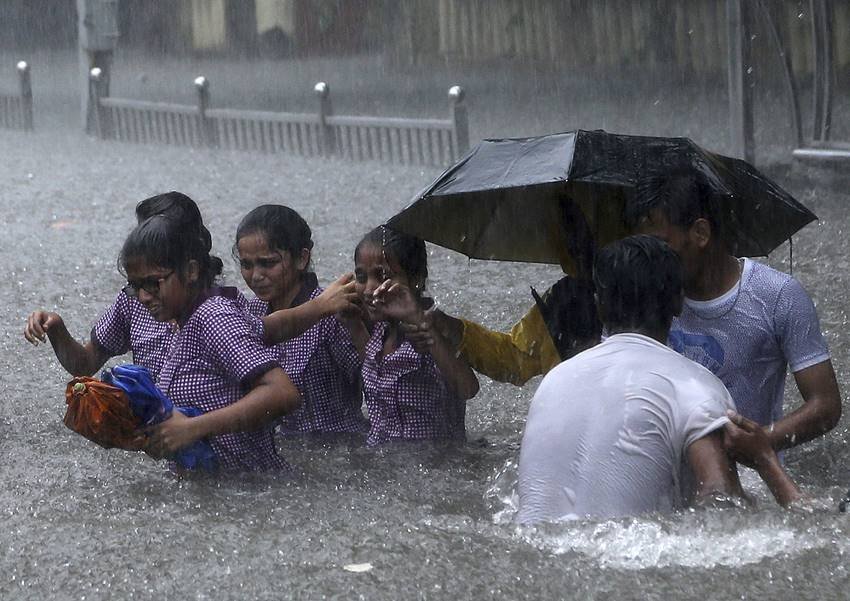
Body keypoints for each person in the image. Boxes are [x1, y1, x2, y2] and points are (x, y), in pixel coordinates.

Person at [516, 236, 800, 522]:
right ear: (678, 302)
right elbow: (724, 506)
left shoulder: (553, 381)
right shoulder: (695, 387)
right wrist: (765, 460)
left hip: (529, 543)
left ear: (599, 306)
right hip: (627, 547)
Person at [24, 192, 358, 380]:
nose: (146, 294)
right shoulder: (132, 301)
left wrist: (325, 309)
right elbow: (84, 365)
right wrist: (58, 330)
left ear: (189, 264)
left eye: (155, 280)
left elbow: (274, 382)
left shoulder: (220, 312)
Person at [628, 171, 841, 453]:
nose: (651, 259)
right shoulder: (642, 295)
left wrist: (760, 442)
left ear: (701, 233)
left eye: (660, 245)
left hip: (748, 470)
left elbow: (825, 405)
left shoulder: (777, 295)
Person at [121, 213, 301, 470]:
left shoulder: (215, 317)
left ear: (191, 271)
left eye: (152, 283)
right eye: (135, 286)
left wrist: (192, 428)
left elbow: (282, 393)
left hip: (250, 485)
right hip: (224, 486)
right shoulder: (183, 323)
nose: (143, 297)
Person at [399, 196, 601, 385]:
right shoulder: (560, 301)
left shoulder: (615, 296)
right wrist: (449, 326)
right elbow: (513, 359)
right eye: (566, 228)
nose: (571, 240)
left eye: (578, 226)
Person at [234, 204, 369, 434]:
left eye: (268, 263)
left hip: (338, 441)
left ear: (301, 258)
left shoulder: (334, 313)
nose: (256, 276)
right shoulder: (252, 311)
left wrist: (357, 326)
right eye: (247, 265)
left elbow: (374, 382)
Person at [346, 226, 479, 446]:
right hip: (382, 457)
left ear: (416, 278)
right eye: (361, 276)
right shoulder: (380, 330)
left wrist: (420, 320)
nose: (369, 289)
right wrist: (353, 325)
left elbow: (468, 388)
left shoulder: (431, 330)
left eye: (383, 276)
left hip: (434, 462)